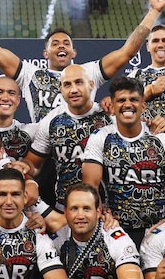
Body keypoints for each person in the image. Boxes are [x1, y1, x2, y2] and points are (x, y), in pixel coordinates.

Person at [0, 0, 165, 122]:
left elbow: (127, 51)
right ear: (45, 53)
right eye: (55, 43)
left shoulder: (88, 73)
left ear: (73, 52)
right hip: (42, 149)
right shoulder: (31, 75)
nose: (61, 46)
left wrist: (153, 12)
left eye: (66, 43)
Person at [81, 76, 165, 246]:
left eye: (134, 99)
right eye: (121, 100)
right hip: (116, 228)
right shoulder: (101, 137)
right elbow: (90, 188)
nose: (128, 104)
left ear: (143, 105)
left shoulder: (163, 138)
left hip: (161, 227)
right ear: (113, 107)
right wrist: (101, 214)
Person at [23, 64, 112, 211]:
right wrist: (27, 175)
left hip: (106, 210)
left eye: (79, 82)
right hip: (64, 210)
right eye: (67, 85)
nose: (74, 90)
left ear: (91, 85)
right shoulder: (51, 121)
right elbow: (33, 164)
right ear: (61, 90)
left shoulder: (109, 116)